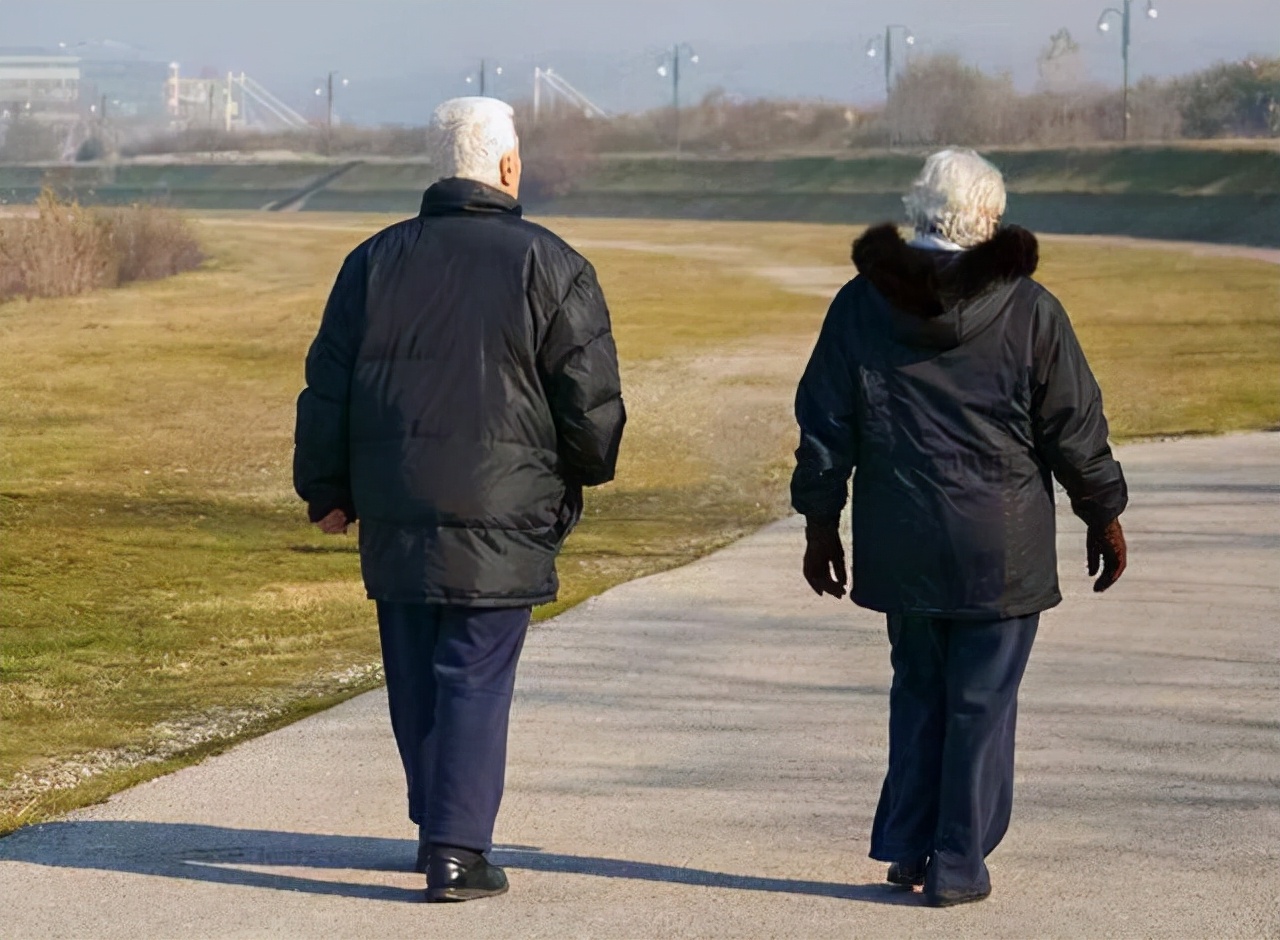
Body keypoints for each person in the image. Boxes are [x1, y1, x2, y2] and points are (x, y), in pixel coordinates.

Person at [293, 96, 625, 903]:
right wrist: (582, 471)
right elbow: (590, 401)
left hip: (398, 499)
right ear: (509, 168)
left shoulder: (371, 262)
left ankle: (438, 823)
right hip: (505, 508)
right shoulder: (554, 264)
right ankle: (455, 847)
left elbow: (327, 388)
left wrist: (327, 489)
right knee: (473, 671)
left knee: (415, 673)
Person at [790, 149, 1127, 907]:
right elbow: (1074, 427)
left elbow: (824, 424)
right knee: (979, 702)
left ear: (920, 209)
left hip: (902, 533)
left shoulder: (859, 303)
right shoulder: (1029, 307)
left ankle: (912, 846)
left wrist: (820, 523)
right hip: (998, 545)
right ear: (989, 219)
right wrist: (1102, 513)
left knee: (918, 691)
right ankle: (957, 859)